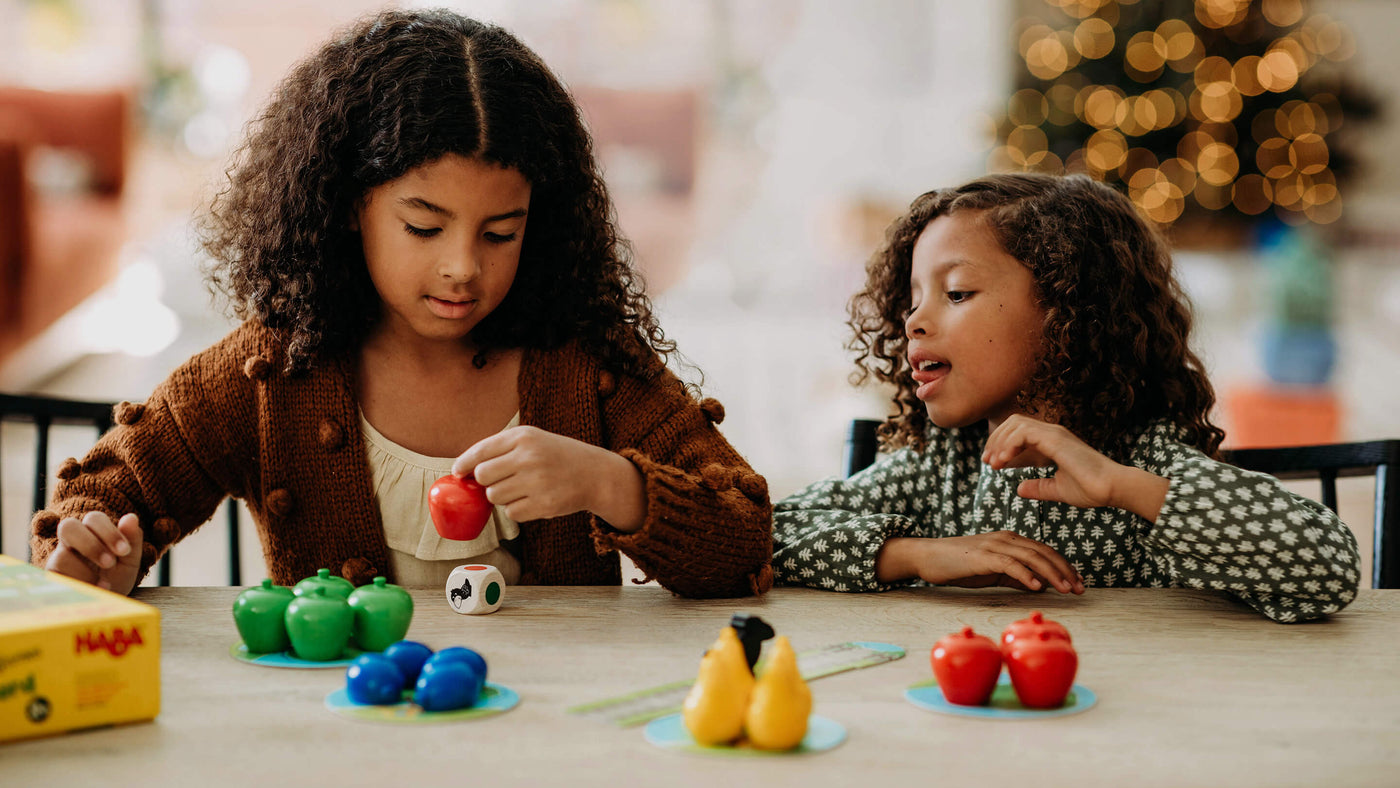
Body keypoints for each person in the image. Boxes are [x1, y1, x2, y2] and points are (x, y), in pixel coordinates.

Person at [29, 9, 772, 599]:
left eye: (501, 233)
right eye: (423, 226)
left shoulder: (584, 360)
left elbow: (746, 545)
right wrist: (92, 552)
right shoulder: (272, 371)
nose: (462, 268)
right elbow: (106, 493)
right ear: (349, 207)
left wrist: (612, 484)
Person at [772, 173, 1360, 622]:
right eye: (911, 299)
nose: (913, 322)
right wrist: (918, 555)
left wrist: (1123, 488)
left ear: (1068, 310)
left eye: (955, 292)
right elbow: (762, 535)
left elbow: (1327, 568)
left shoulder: (1143, 457)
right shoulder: (942, 462)